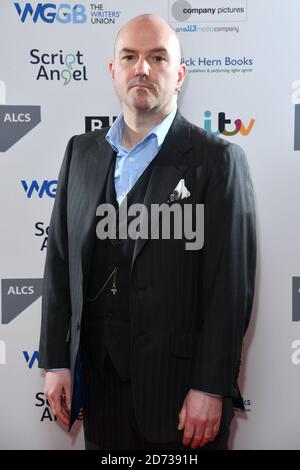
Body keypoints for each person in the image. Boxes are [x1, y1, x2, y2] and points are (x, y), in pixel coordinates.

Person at [38, 14, 256, 451]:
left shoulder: (217, 161)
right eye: (130, 57)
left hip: (180, 397)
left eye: (157, 58)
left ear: (178, 76)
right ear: (113, 71)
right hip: (99, 393)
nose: (142, 68)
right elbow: (59, 262)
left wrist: (211, 387)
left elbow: (228, 288)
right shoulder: (80, 153)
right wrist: (55, 362)